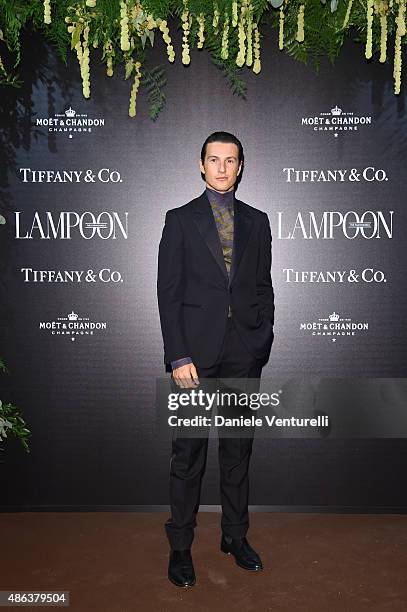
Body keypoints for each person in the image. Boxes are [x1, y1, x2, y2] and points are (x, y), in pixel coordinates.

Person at [157, 131, 274, 587]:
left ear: (240, 167)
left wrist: (260, 339)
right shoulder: (180, 220)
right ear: (201, 165)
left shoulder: (259, 221)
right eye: (214, 159)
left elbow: (263, 286)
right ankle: (181, 546)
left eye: (231, 160)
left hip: (244, 353)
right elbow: (169, 293)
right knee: (188, 453)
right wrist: (177, 354)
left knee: (237, 452)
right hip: (193, 359)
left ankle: (234, 536)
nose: (222, 168)